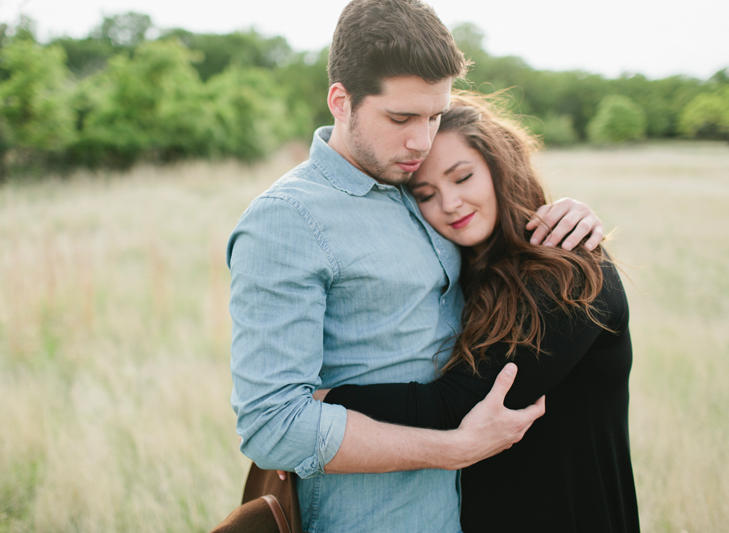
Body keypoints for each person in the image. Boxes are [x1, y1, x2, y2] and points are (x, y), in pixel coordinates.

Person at [227, 1, 603, 531]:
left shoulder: (419, 185)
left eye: (433, 116)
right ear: (341, 101)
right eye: (401, 118)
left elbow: (493, 240)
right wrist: (453, 449)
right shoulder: (287, 221)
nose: (420, 142)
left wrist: (566, 215)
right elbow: (272, 425)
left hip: (467, 513)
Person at [319, 92, 641, 532]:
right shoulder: (460, 277)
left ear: (499, 167)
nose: (449, 204)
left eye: (462, 177)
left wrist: (310, 412)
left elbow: (454, 403)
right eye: (426, 194)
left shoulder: (568, 270)